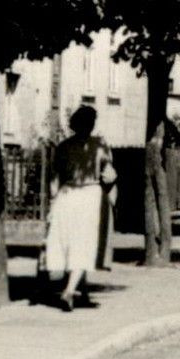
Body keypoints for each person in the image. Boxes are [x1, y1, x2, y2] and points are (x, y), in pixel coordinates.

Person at [43, 106, 116, 312]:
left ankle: (81, 291)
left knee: (70, 243)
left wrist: (52, 203)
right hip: (90, 197)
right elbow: (109, 175)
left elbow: (55, 178)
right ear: (91, 123)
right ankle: (69, 291)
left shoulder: (63, 146)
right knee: (84, 244)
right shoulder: (100, 146)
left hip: (66, 196)